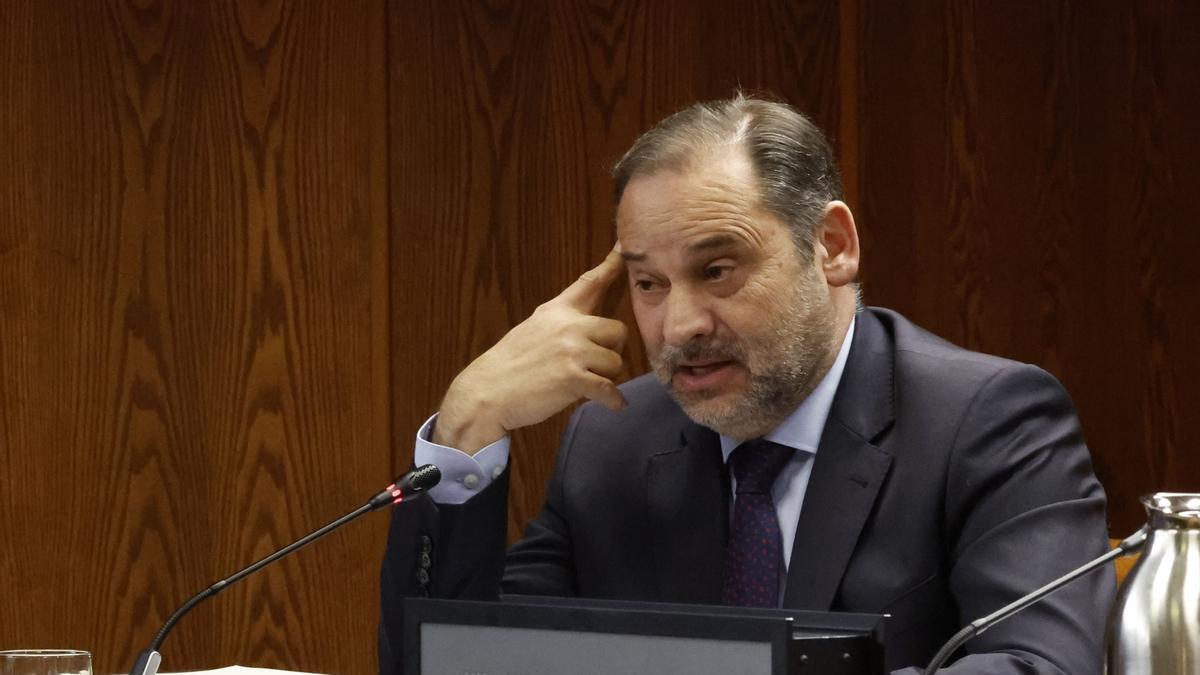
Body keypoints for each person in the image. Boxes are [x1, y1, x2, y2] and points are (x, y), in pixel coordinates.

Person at [379, 95, 1115, 674]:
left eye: (717, 269)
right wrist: (465, 428)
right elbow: (459, 659)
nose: (678, 324)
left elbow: (1038, 663)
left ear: (831, 247)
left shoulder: (988, 421)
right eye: (648, 283)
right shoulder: (614, 437)